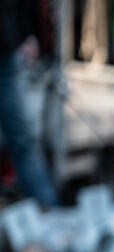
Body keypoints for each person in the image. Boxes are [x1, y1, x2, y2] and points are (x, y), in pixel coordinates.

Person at [0, 0, 59, 207]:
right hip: (8, 48)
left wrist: (26, 33)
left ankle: (48, 210)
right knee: (22, 141)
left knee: (22, 140)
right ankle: (48, 208)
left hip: (6, 50)